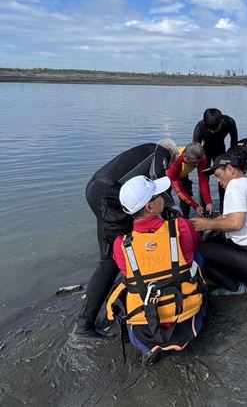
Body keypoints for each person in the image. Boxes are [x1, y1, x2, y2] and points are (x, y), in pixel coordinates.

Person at [69, 139, 179, 348]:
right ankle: (84, 327)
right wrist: (171, 213)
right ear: (171, 155)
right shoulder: (162, 152)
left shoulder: (147, 150)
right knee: (112, 259)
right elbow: (158, 181)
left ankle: (98, 315)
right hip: (108, 197)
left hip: (100, 191)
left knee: (113, 255)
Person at [104, 176, 205, 365]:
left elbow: (128, 273)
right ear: (150, 207)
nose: (164, 196)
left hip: (144, 332)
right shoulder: (181, 225)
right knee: (197, 259)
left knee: (132, 281)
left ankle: (149, 348)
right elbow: (193, 248)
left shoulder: (121, 244)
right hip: (186, 322)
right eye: (158, 194)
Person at [191, 152, 247, 296]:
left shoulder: (235, 185)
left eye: (218, 175)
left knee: (197, 251)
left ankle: (235, 287)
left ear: (230, 169)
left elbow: (236, 223)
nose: (219, 181)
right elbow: (229, 216)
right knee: (216, 237)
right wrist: (210, 222)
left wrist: (206, 225)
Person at [193, 108, 238, 210]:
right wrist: (198, 161)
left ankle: (224, 207)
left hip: (220, 151)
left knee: (223, 178)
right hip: (204, 153)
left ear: (221, 122)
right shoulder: (200, 126)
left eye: (214, 129)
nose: (211, 131)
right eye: (209, 129)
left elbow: (234, 143)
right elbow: (195, 148)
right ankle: (204, 208)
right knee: (203, 178)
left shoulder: (229, 122)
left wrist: (230, 158)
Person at [166, 142, 214, 218]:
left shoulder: (202, 158)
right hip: (167, 176)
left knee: (187, 197)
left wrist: (208, 202)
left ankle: (184, 220)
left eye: (198, 162)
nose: (197, 165)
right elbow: (180, 191)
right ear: (185, 157)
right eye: (194, 163)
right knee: (167, 201)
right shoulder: (175, 164)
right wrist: (196, 206)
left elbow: (203, 181)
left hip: (183, 174)